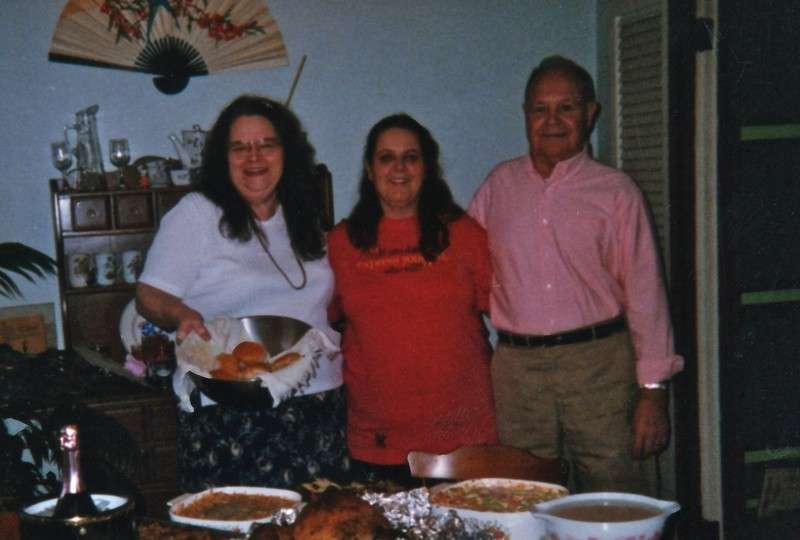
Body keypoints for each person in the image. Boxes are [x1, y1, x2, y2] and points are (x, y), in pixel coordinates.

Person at [468, 56, 684, 495]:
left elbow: (646, 295)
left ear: (590, 113)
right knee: (524, 495)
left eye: (565, 108)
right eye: (540, 109)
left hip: (599, 367)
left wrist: (653, 392)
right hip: (517, 371)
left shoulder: (616, 192)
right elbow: (463, 267)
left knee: (616, 495)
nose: (552, 121)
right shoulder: (499, 185)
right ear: (525, 115)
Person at [136, 94, 348, 491]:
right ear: (223, 158)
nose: (254, 157)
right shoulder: (197, 213)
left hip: (318, 405)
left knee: (321, 522)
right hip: (231, 414)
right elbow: (148, 295)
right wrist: (181, 315)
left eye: (267, 144)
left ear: (287, 153)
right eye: (239, 147)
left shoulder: (302, 212)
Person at [328, 113, 497, 485]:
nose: (399, 168)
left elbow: (508, 312)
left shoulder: (464, 234)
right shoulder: (340, 244)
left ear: (427, 167)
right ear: (369, 170)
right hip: (378, 436)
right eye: (386, 158)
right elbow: (322, 320)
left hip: (462, 433)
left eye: (411, 157)